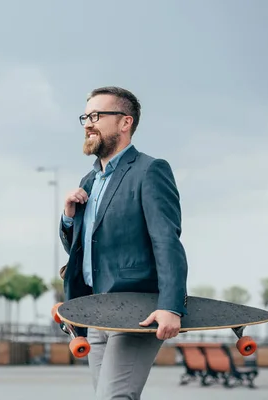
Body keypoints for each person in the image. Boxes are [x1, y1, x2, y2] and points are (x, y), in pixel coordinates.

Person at [59, 86, 189, 399]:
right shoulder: (88, 181)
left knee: (114, 397)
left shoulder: (150, 171)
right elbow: (83, 251)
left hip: (137, 309)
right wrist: (68, 217)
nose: (88, 123)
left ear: (124, 122)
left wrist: (170, 306)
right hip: (95, 310)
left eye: (97, 115)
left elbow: (166, 240)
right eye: (85, 116)